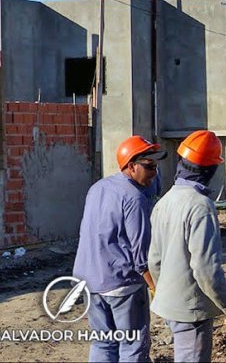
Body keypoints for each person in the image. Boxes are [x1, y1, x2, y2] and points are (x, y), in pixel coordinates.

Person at [148, 130, 226, 363]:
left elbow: (154, 261)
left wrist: (167, 293)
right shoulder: (200, 206)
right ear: (210, 170)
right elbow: (205, 269)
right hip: (192, 311)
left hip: (171, 306)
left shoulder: (165, 201)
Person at [73, 135, 167, 362]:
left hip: (90, 281)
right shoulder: (134, 198)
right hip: (122, 284)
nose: (154, 172)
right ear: (131, 166)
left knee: (103, 343)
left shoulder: (98, 188)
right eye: (149, 166)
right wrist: (155, 287)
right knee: (132, 345)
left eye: (156, 166)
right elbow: (140, 253)